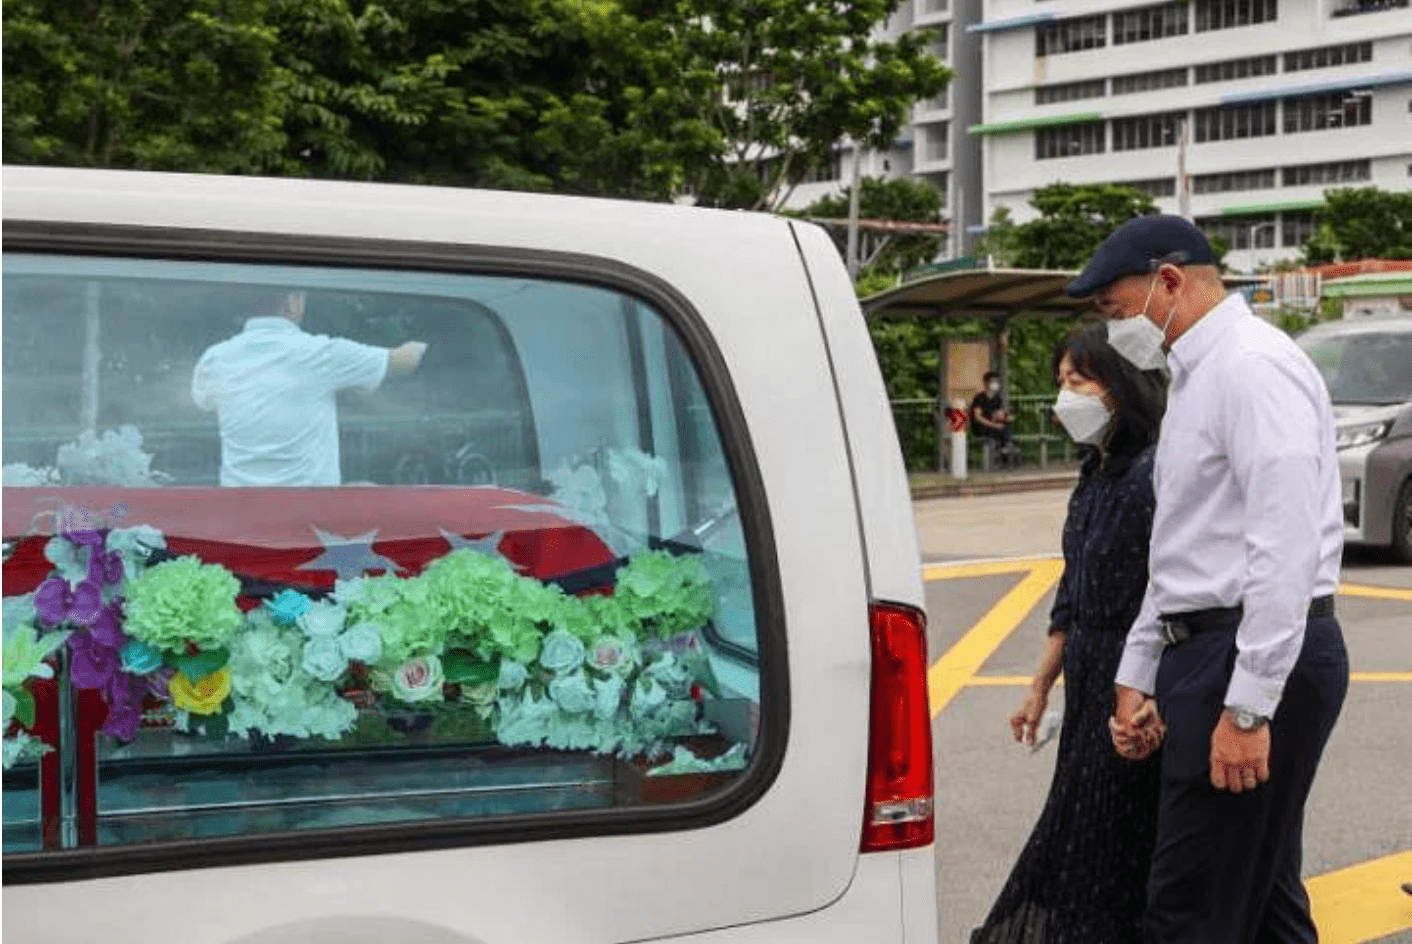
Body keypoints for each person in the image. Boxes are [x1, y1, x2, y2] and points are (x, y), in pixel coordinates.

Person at [1068, 216, 1348, 944]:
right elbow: (1184, 545)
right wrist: (1142, 668)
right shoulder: (1195, 376)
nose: (1119, 328)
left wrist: (1250, 708)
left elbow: (1283, 547)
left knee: (1190, 908)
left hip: (1251, 654)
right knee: (1261, 902)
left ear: (1168, 281)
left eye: (1117, 311)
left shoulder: (1252, 367)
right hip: (1210, 649)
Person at [972, 323, 1168, 944]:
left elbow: (1168, 595)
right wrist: (1039, 687)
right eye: (1061, 382)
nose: (1065, 396)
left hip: (1129, 681)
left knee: (1106, 837)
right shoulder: (1095, 476)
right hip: (1087, 678)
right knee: (1081, 829)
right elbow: (1071, 594)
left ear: (1120, 387)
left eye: (1078, 380)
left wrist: (1150, 690)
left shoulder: (1151, 477)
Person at [192, 290, 428, 486]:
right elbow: (405, 362)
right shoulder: (319, 353)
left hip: (239, 510)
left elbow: (203, 402)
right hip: (309, 514)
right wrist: (435, 333)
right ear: (291, 302)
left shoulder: (215, 359)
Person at [971, 371, 1020, 466]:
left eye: (996, 381)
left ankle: (1006, 450)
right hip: (981, 427)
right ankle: (1007, 451)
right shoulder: (979, 398)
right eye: (993, 381)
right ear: (986, 383)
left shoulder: (997, 398)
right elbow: (978, 418)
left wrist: (1007, 418)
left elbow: (1000, 413)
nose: (995, 384)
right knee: (1003, 430)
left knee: (1006, 427)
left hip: (994, 426)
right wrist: (994, 424)